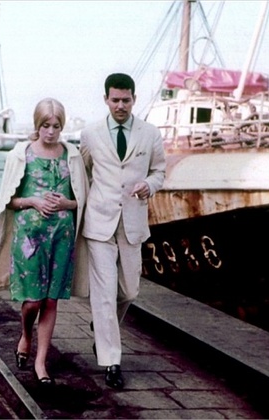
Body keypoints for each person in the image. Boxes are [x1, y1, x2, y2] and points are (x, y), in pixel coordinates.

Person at [0, 98, 88, 386]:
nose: (51, 132)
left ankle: (40, 362)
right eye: (46, 126)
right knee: (33, 301)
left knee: (51, 299)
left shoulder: (72, 156)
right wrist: (33, 201)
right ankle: (25, 335)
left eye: (56, 126)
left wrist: (67, 204)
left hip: (61, 236)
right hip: (29, 238)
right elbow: (8, 201)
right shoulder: (20, 154)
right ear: (37, 125)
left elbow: (82, 199)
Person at [79, 73, 166, 390]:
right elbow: (82, 173)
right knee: (103, 294)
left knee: (129, 291)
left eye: (126, 100)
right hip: (99, 223)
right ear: (106, 99)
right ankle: (111, 361)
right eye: (115, 100)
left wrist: (149, 185)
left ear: (134, 99)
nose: (120, 106)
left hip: (132, 222)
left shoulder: (150, 133)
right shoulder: (90, 134)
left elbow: (159, 171)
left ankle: (104, 328)